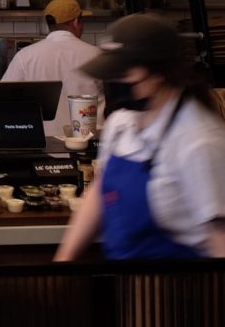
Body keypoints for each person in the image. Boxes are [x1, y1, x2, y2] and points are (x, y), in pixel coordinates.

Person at [55, 13, 225, 260]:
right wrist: (64, 262)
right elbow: (100, 192)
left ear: (158, 73)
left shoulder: (199, 140)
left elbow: (220, 240)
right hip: (127, 286)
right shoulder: (121, 123)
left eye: (123, 75)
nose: (114, 82)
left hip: (183, 292)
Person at [2, 0, 100, 137]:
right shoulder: (96, 54)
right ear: (76, 22)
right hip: (88, 144)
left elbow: (4, 98)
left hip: (43, 145)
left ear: (49, 24)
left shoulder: (25, 56)